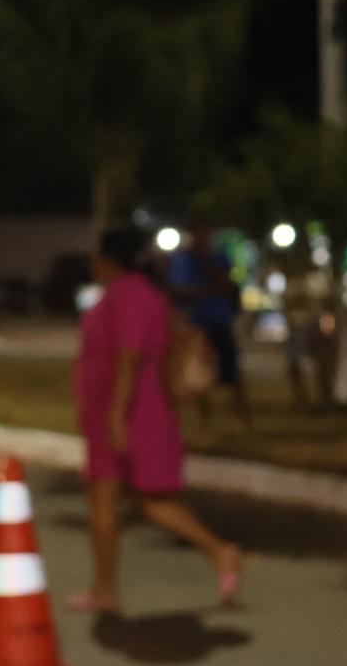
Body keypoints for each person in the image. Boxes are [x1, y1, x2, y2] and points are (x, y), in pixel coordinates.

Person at [67, 225, 247, 613]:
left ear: (108, 259)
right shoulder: (141, 293)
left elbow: (129, 358)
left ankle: (106, 590)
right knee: (146, 501)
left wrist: (117, 418)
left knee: (107, 500)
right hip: (129, 411)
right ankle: (218, 552)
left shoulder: (130, 294)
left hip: (128, 412)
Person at [175, 233, 252, 427]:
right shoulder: (183, 261)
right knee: (199, 372)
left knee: (231, 372)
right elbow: (180, 291)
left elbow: (226, 285)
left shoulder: (219, 258)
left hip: (220, 321)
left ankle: (243, 418)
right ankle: (206, 420)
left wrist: (206, 262)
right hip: (198, 323)